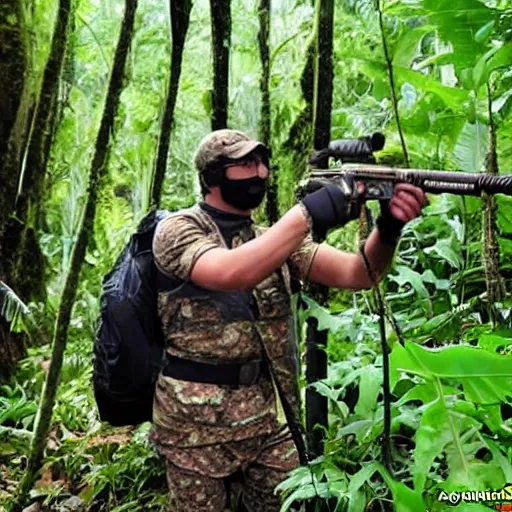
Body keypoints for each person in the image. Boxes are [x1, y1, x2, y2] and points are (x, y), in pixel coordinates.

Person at [150, 129, 427, 512]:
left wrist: (388, 228)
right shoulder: (178, 230)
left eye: (263, 163)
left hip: (265, 422)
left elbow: (357, 273)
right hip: (192, 429)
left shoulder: (273, 238)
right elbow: (232, 272)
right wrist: (308, 213)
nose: (260, 173)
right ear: (212, 177)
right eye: (245, 164)